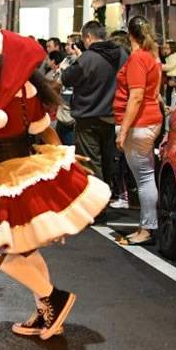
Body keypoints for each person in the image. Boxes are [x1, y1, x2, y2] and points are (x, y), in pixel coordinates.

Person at [0, 30, 110, 339]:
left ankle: (53, 296)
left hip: (1, 176)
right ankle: (46, 312)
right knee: (24, 248)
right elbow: (48, 133)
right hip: (29, 169)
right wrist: (62, 161)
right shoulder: (29, 90)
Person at [62, 20, 128, 209]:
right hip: (112, 116)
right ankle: (105, 199)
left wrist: (78, 58)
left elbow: (67, 77)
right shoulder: (121, 54)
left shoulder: (88, 58)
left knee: (91, 163)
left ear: (88, 37)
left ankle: (96, 206)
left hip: (88, 116)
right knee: (108, 162)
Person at [114, 16, 163, 246]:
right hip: (151, 120)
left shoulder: (137, 58)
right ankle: (147, 225)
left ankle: (147, 228)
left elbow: (136, 96)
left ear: (129, 34)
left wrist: (123, 131)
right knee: (146, 175)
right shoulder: (152, 57)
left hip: (140, 123)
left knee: (143, 177)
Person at [161, 40, 176, 109]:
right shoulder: (170, 56)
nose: (165, 50)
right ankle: (171, 107)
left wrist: (159, 66)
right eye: (164, 48)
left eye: (167, 48)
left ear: (172, 48)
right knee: (169, 93)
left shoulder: (175, 56)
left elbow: (169, 66)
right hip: (172, 76)